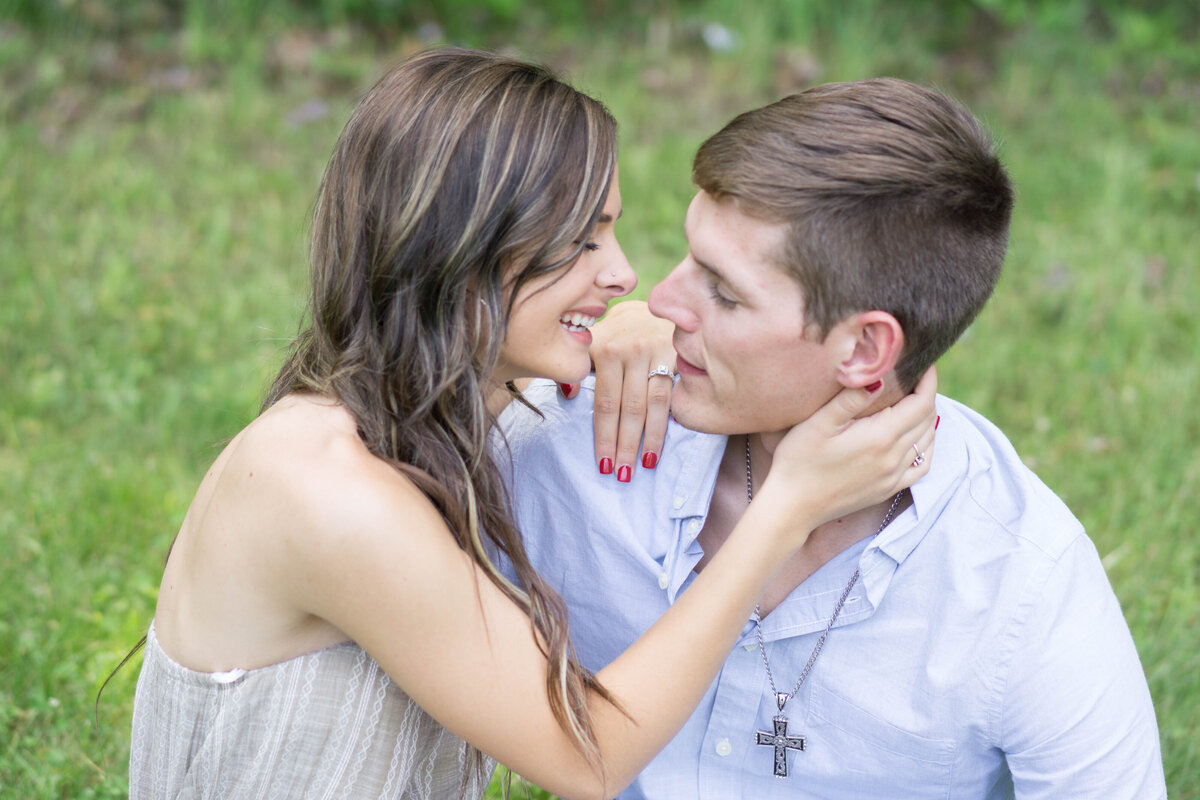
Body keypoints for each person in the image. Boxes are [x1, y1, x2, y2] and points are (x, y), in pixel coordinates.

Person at [126, 49, 937, 799]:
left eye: (611, 232)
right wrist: (785, 510)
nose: (623, 276)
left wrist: (648, 338)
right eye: (582, 242)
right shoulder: (328, 490)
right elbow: (586, 754)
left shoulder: (438, 419)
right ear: (458, 252)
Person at [500, 78, 1167, 798]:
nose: (658, 301)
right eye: (689, 257)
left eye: (723, 292)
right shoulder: (570, 440)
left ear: (863, 352)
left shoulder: (1019, 583)